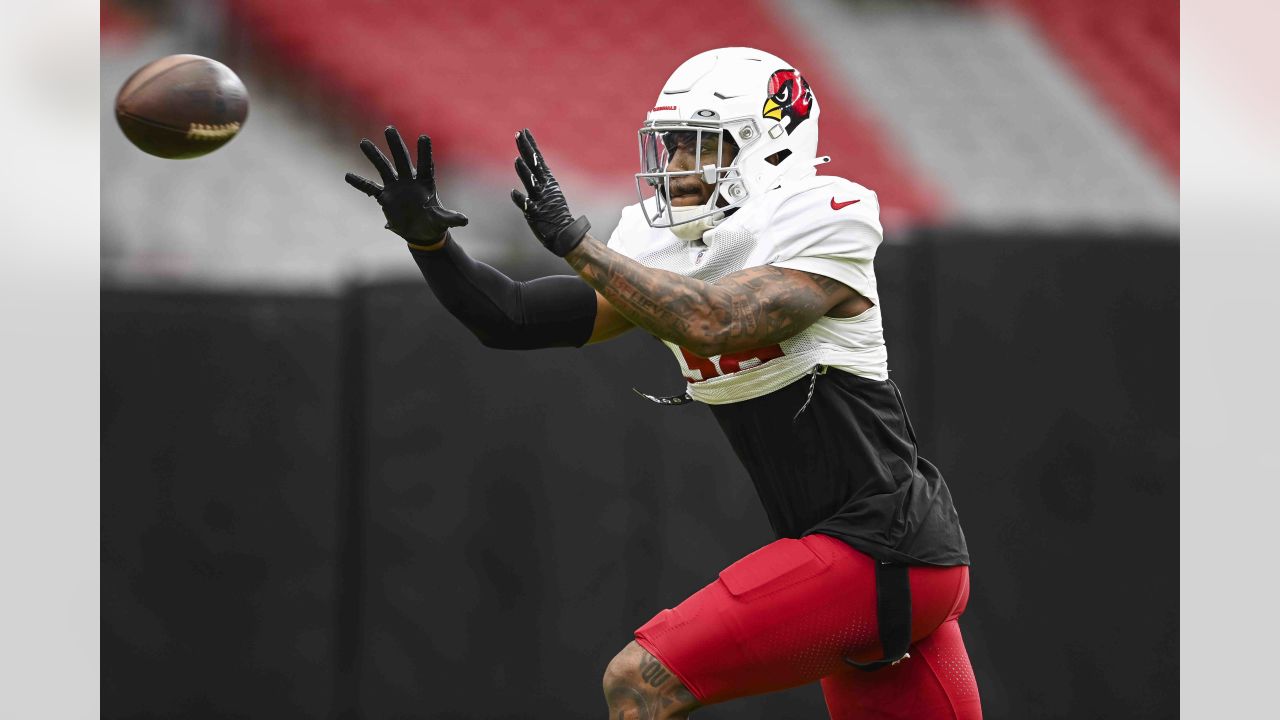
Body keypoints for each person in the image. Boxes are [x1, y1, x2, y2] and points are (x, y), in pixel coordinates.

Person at [345, 47, 981, 720]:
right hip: (866, 557)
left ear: (769, 147)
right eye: (672, 147)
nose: (676, 167)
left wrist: (579, 247)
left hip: (880, 545)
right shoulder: (668, 247)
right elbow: (513, 316)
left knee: (640, 682)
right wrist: (430, 247)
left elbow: (719, 320)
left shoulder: (824, 215)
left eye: (699, 148)